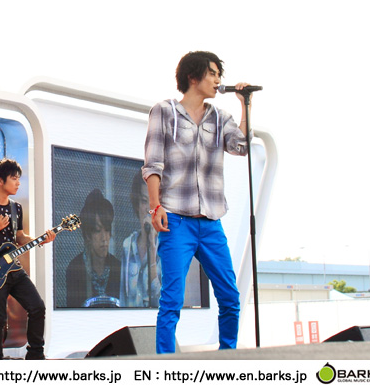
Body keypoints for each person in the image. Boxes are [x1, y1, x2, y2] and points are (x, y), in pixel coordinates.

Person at [142, 51, 253, 353]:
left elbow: (241, 147)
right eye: (212, 73)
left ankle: (227, 358)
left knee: (230, 297)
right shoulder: (164, 112)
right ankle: (166, 365)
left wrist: (244, 104)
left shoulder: (220, 117)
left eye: (219, 75)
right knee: (172, 299)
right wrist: (155, 206)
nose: (218, 80)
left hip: (211, 222)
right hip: (176, 220)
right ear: (193, 77)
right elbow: (152, 164)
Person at [0, 158, 56, 360]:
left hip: (13, 268)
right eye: (14, 178)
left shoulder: (16, 208)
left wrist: (41, 239)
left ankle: (35, 355)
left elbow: (20, 237)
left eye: (18, 178)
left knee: (37, 307)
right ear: (0, 181)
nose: (18, 183)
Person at [65, 189, 121, 307]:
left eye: (107, 230)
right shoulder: (75, 268)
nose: (104, 238)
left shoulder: (118, 267)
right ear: (87, 235)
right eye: (97, 231)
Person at [120, 170, 160, 307]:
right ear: (137, 204)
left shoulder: (168, 246)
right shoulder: (127, 245)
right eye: (144, 201)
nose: (148, 209)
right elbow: (123, 298)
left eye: (153, 202)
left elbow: (166, 301)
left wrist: (152, 251)